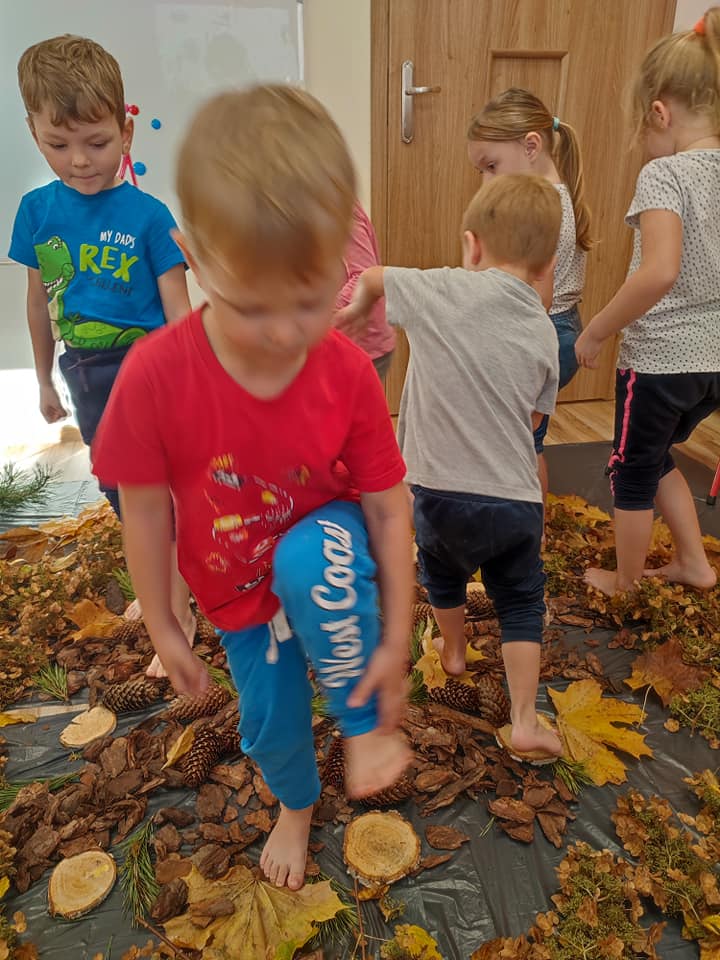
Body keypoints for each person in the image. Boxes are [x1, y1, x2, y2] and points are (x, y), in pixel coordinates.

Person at [92, 86, 413, 890]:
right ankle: (296, 806)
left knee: (309, 560)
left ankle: (362, 723)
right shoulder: (155, 375)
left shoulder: (345, 371)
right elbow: (145, 509)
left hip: (325, 548)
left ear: (343, 258)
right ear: (194, 260)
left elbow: (386, 505)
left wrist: (396, 634)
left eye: (309, 302)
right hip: (235, 594)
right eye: (251, 307)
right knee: (270, 727)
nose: (282, 334)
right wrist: (164, 622)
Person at [338, 174, 564, 760]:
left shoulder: (441, 287)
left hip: (438, 493)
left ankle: (454, 650)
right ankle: (523, 718)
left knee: (442, 575)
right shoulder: (544, 328)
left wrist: (358, 309)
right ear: (547, 265)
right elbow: (536, 420)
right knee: (520, 600)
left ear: (472, 245)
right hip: (516, 500)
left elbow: (372, 276)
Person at [8, 35, 195, 662]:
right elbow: (39, 302)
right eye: (59, 145)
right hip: (84, 373)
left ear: (126, 132)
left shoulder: (148, 215)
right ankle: (158, 579)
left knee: (161, 491)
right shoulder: (36, 211)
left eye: (97, 142)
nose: (80, 161)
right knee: (119, 488)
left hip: (150, 372)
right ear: (34, 133)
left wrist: (193, 380)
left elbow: (178, 309)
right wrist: (43, 380)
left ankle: (178, 607)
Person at [575, 9, 720, 595]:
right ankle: (694, 563)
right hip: (714, 362)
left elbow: (659, 271)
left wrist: (597, 329)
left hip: (661, 361)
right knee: (656, 456)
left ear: (660, 112)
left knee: (630, 471)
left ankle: (626, 582)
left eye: (642, 129)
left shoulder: (666, 173)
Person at [467, 88, 591, 501]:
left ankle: (529, 526)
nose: (486, 182)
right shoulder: (556, 196)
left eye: (491, 167)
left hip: (545, 333)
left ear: (531, 147)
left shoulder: (542, 211)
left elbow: (537, 297)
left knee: (523, 444)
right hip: (559, 331)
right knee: (526, 439)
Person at [336, 203, 395, 381]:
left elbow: (363, 275)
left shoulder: (343, 211)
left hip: (365, 345)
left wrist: (323, 312)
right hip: (342, 342)